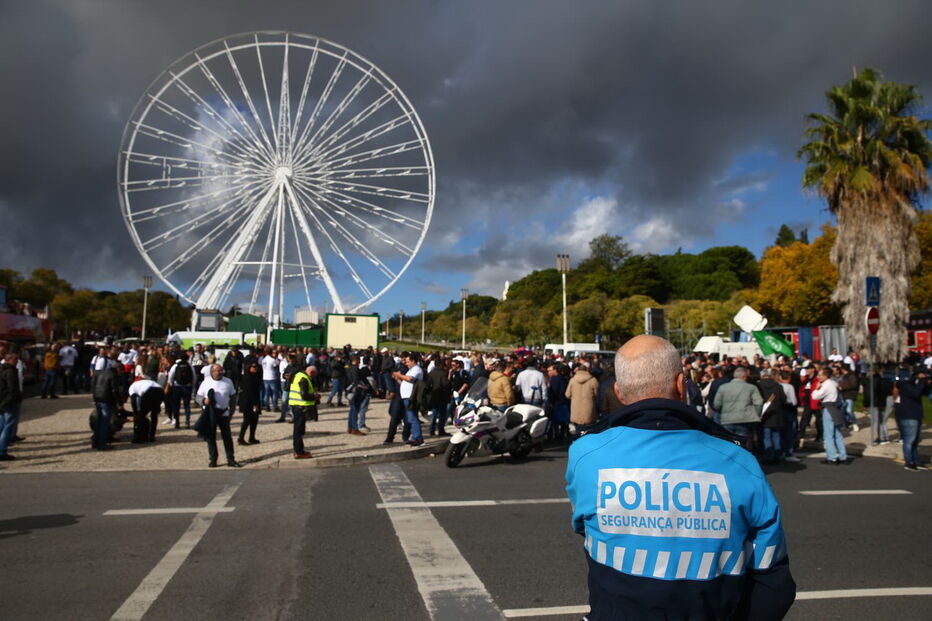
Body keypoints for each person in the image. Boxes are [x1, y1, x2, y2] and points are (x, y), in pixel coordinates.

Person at [565, 336, 796, 620]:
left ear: (619, 392)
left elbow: (584, 526)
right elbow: (772, 579)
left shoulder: (585, 454)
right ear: (680, 384)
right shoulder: (740, 461)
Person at [196, 364, 240, 468]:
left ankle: (230, 459)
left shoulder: (228, 382)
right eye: (217, 371)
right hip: (210, 413)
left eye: (221, 371)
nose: (219, 373)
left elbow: (233, 397)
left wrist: (231, 411)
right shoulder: (206, 382)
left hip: (224, 413)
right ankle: (213, 459)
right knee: (211, 437)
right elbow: (198, 397)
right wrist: (204, 401)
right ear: (212, 372)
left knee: (227, 437)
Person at [712, 366, 762, 451]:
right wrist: (756, 414)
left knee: (729, 442)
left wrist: (723, 411)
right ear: (744, 377)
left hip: (727, 419)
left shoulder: (723, 387)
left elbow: (716, 404)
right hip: (744, 419)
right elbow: (759, 402)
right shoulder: (751, 387)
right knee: (743, 444)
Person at [893, 371, 929, 471]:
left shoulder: (913, 385)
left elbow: (924, 392)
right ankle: (909, 462)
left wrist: (926, 383)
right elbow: (915, 393)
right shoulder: (905, 385)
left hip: (916, 415)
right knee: (909, 440)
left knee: (915, 441)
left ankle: (916, 461)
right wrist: (922, 381)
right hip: (908, 416)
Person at [811, 368, 847, 465]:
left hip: (829, 408)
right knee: (837, 434)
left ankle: (832, 457)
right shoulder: (833, 383)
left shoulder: (826, 385)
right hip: (836, 408)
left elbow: (815, 396)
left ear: (825, 376)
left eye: (820, 375)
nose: (818, 377)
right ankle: (843, 456)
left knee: (828, 434)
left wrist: (817, 388)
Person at [392, 353, 424, 447]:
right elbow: (405, 381)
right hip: (407, 396)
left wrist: (399, 375)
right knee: (411, 418)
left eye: (408, 361)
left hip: (411, 396)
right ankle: (415, 437)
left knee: (412, 417)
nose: (406, 363)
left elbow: (410, 379)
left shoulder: (416, 369)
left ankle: (418, 438)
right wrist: (398, 378)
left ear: (413, 361)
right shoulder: (411, 370)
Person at [92, 361, 124, 450]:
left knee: (99, 422)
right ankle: (102, 444)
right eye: (121, 372)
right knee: (104, 423)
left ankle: (95, 441)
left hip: (98, 398)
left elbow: (94, 385)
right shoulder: (113, 375)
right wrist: (120, 403)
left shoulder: (100, 372)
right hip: (107, 399)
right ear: (118, 369)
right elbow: (115, 390)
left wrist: (94, 397)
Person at [287, 365, 318, 459]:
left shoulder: (298, 375)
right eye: (314, 375)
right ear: (312, 372)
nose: (313, 377)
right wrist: (314, 396)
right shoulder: (304, 379)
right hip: (300, 406)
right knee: (298, 430)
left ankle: (298, 450)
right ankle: (299, 451)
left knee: (298, 429)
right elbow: (304, 394)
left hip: (295, 405)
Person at [0, 353, 23, 461]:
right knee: (8, 426)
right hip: (9, 402)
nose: (17, 361)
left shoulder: (2, 369)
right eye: (15, 359)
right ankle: (2, 451)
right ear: (9, 360)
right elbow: (13, 388)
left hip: (2, 400)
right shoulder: (10, 371)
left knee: (2, 425)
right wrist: (16, 399)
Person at [128, 376, 163, 443]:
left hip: (149, 391)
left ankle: (139, 437)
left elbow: (133, 399)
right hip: (160, 390)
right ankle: (152, 436)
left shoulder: (132, 387)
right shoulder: (146, 381)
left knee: (141, 416)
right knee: (154, 415)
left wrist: (135, 412)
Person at [237, 360, 263, 445]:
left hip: (252, 401)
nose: (255, 368)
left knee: (254, 420)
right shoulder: (247, 377)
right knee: (247, 421)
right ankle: (241, 438)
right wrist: (254, 404)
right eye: (253, 367)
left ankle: (252, 437)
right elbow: (250, 392)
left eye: (256, 366)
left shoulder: (254, 376)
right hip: (248, 403)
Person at [565, 362, 598, 426]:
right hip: (589, 411)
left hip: (576, 410)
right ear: (587, 370)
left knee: (578, 429)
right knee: (589, 429)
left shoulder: (572, 380)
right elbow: (597, 394)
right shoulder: (593, 380)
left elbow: (567, 395)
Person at [166, 355, 194, 429]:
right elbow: (194, 376)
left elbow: (170, 376)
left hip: (177, 386)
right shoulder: (189, 365)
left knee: (176, 405)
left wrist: (170, 384)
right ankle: (187, 421)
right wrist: (192, 385)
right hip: (187, 386)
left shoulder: (175, 365)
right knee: (187, 405)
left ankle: (177, 421)